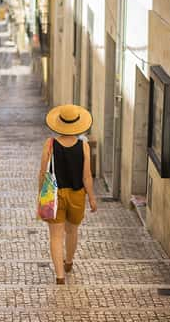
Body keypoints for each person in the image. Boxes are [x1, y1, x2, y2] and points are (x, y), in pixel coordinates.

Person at [39, 104, 97, 285]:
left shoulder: (50, 144)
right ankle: (69, 262)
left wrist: (41, 197)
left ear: (59, 123)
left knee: (55, 236)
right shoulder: (84, 146)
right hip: (77, 194)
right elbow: (86, 176)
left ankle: (59, 276)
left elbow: (42, 173)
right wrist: (92, 198)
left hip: (54, 195)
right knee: (72, 230)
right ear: (77, 124)